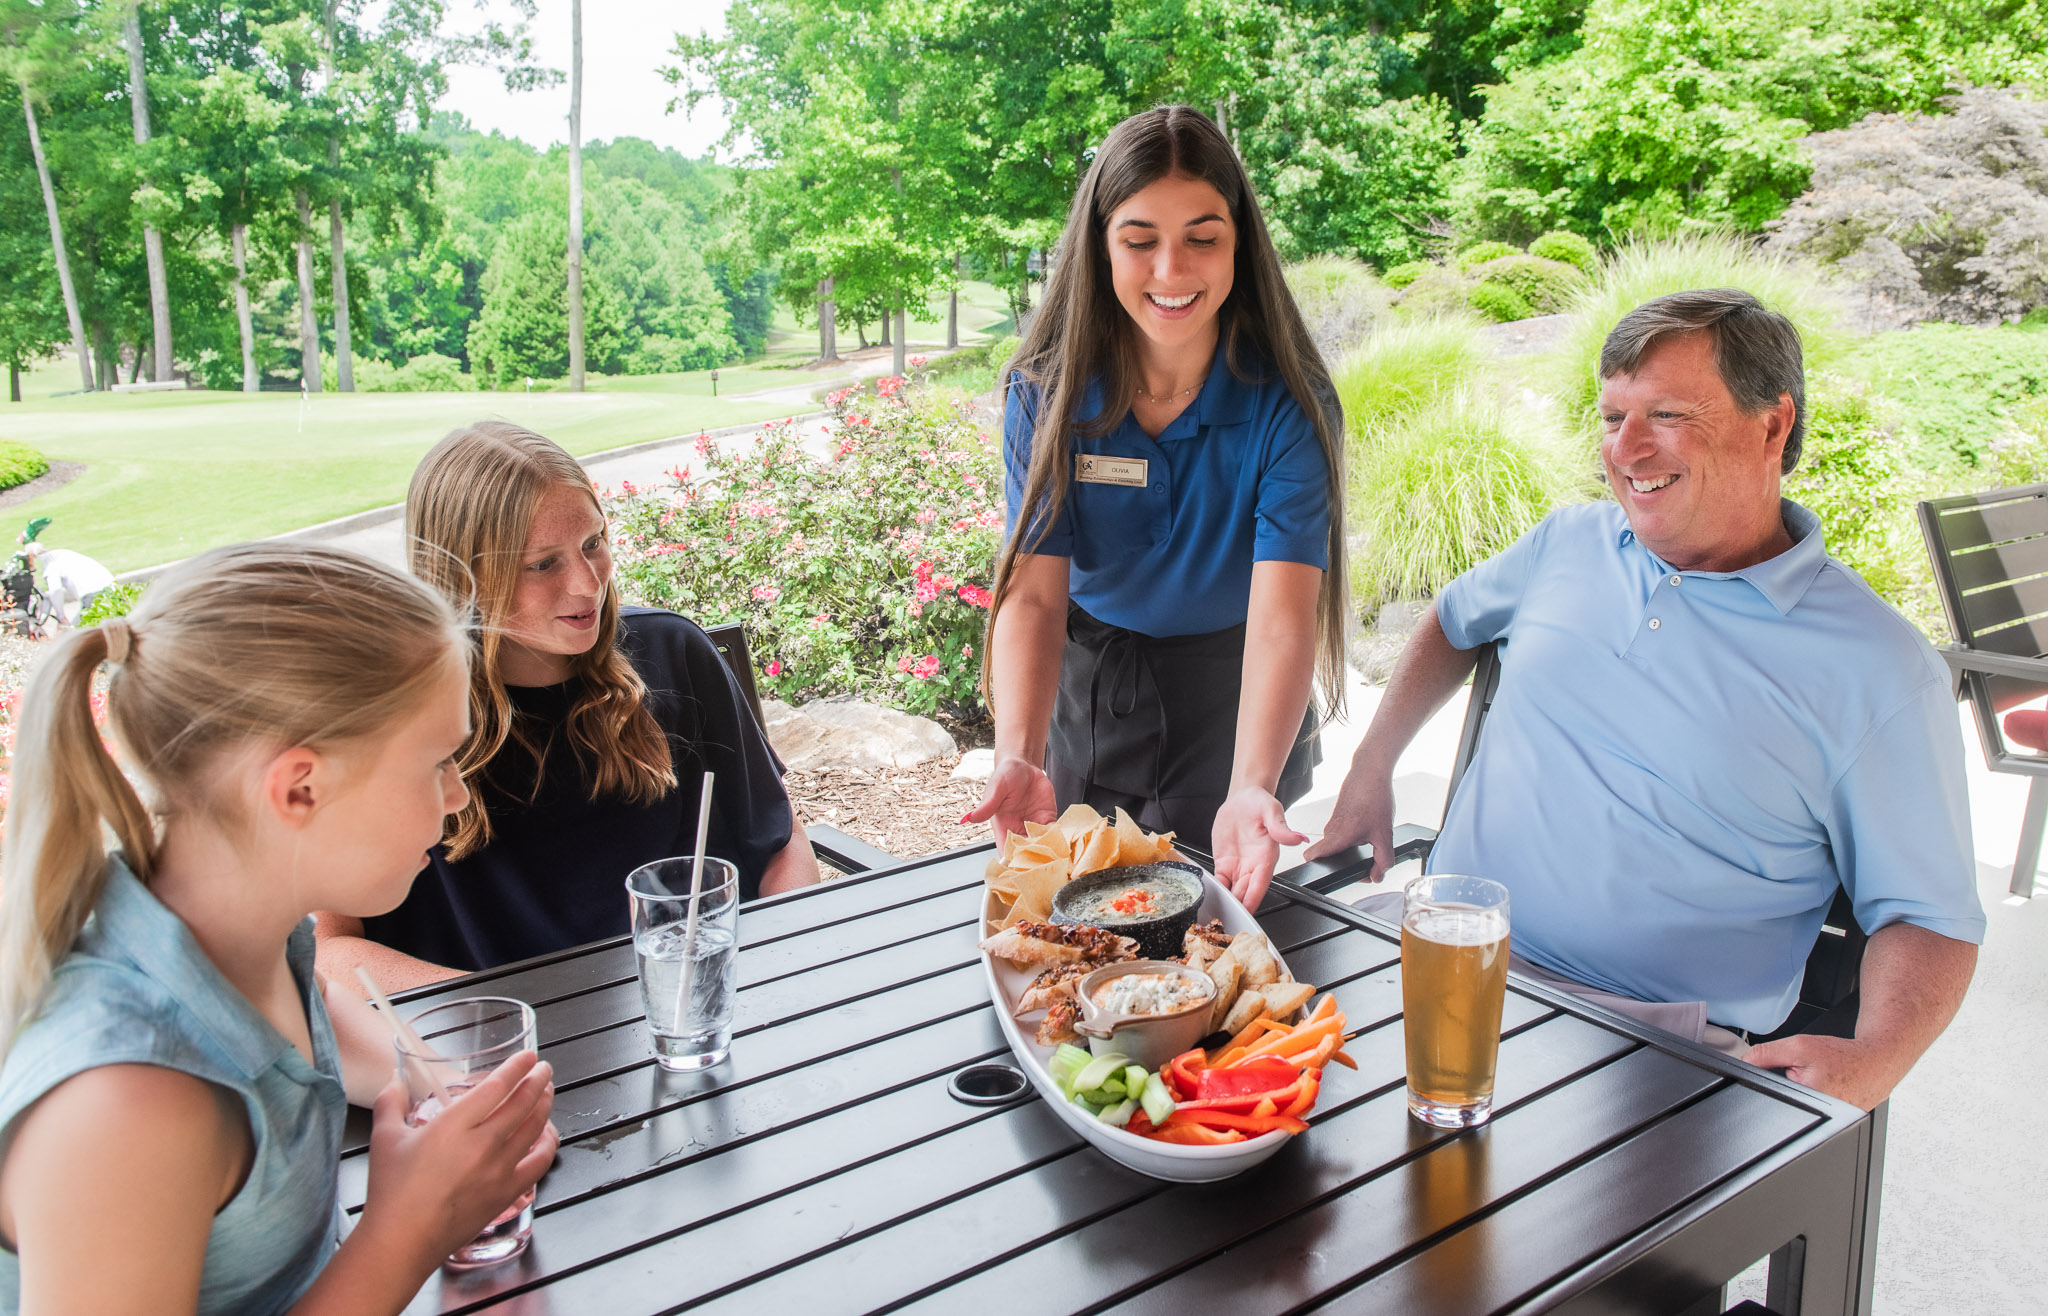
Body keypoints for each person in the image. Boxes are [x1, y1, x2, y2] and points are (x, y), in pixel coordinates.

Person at [1307, 289, 1983, 1111]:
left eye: (1665, 414)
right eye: (1612, 417)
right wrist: (1371, 767)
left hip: (1656, 1047)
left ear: (1772, 425)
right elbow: (1451, 621)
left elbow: (1932, 915)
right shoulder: (1568, 544)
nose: (1625, 449)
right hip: (1443, 950)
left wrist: (1877, 1055)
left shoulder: (1878, 666)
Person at [0, 543, 558, 1314]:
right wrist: (411, 1226)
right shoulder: (128, 1103)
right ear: (299, 788)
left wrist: (452, 1100)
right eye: (436, 761)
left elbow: (334, 1026)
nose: (458, 795)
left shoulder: (244, 941)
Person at [965, 105, 1347, 911]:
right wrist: (1017, 754)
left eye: (1203, 238)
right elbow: (1034, 597)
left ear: (1239, 244)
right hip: (1091, 697)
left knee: (1232, 941)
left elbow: (1282, 619)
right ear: (1100, 245)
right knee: (1091, 940)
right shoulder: (1045, 393)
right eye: (1140, 240)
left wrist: (1252, 785)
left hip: (1237, 701)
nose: (1172, 270)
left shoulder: (1289, 405)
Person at [316, 422, 820, 989]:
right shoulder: (386, 714)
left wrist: (786, 970)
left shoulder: (672, 653)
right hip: (498, 1036)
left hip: (698, 1004)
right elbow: (327, 949)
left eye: (593, 543)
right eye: (543, 563)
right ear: (462, 575)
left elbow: (781, 841)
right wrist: (489, 1014)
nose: (587, 584)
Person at [22, 540, 113, 627]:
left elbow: (55, 590)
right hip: (110, 586)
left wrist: (61, 616)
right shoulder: (61, 553)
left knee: (77, 632)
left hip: (94, 593)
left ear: (32, 556)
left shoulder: (50, 565)